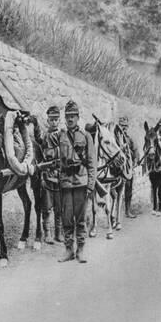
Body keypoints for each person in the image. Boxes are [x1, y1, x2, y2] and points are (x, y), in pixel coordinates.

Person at [57, 100, 96, 264]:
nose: (70, 119)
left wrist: (91, 185)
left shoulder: (86, 136)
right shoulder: (60, 136)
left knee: (80, 219)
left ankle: (80, 250)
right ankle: (68, 250)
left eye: (73, 116)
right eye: (68, 116)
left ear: (78, 117)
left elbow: (92, 162)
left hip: (81, 182)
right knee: (66, 218)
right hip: (66, 183)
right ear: (65, 118)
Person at [37, 106, 63, 243]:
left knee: (59, 208)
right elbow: (41, 155)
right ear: (47, 120)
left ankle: (59, 233)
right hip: (47, 175)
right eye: (51, 120)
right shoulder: (44, 136)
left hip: (60, 176)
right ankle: (47, 233)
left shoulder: (63, 135)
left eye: (56, 120)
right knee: (47, 207)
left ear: (59, 120)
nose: (53, 122)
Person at [118, 116, 140, 218]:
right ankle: (114, 214)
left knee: (128, 189)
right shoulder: (115, 137)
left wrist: (135, 162)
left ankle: (127, 210)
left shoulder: (130, 138)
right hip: (117, 167)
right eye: (122, 126)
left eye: (126, 126)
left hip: (128, 167)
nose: (124, 128)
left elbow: (135, 150)